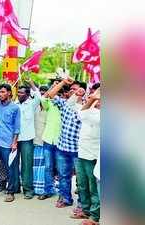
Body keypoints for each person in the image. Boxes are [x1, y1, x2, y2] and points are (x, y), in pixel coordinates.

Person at [44, 77, 82, 208]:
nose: (73, 92)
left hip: (78, 150)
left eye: (76, 90)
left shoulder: (85, 107)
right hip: (63, 147)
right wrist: (63, 82)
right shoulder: (64, 104)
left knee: (81, 180)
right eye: (71, 90)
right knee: (63, 175)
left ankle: (83, 205)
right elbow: (50, 95)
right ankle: (66, 199)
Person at [70, 88, 100, 224]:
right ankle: (85, 210)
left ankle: (94, 216)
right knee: (82, 185)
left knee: (93, 187)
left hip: (95, 155)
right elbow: (81, 113)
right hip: (81, 153)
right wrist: (93, 98)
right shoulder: (91, 109)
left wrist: (95, 97)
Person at [0, 83, 21, 202]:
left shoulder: (15, 108)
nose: (0, 94)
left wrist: (14, 142)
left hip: (8, 143)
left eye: (2, 92)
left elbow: (17, 127)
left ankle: (10, 192)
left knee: (9, 169)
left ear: (9, 93)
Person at [16, 79, 41, 199]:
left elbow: (38, 95)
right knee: (13, 164)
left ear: (27, 94)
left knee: (27, 165)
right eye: (18, 92)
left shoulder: (32, 103)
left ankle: (28, 189)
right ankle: (14, 187)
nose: (19, 94)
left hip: (27, 139)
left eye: (22, 93)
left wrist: (31, 83)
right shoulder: (14, 104)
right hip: (14, 139)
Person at [38, 83, 62, 201]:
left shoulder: (66, 106)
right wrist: (53, 87)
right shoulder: (50, 105)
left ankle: (63, 194)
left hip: (61, 142)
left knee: (61, 168)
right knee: (48, 167)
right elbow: (43, 98)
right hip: (48, 139)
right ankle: (48, 190)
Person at [32, 86, 49, 197]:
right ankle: (34, 188)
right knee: (35, 167)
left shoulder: (50, 109)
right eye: (41, 94)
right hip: (34, 142)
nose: (42, 96)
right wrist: (32, 85)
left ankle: (43, 190)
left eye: (45, 94)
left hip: (45, 143)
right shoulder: (34, 108)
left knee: (44, 168)